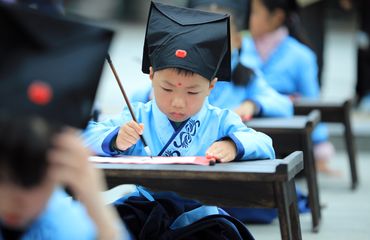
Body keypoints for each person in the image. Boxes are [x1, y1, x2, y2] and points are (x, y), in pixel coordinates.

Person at [83, 2, 275, 163]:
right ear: (151, 76)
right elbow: (84, 135)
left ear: (211, 86)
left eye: (192, 92)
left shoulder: (220, 120)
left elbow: (264, 143)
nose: (178, 102)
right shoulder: (138, 116)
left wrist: (233, 145)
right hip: (143, 203)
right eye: (167, 88)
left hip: (201, 207)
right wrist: (116, 139)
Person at [241, 0, 339, 175]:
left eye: (255, 13)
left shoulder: (301, 56)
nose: (249, 18)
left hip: (284, 144)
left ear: (277, 17)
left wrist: (320, 149)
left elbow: (312, 103)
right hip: (243, 136)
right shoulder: (240, 47)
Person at [0, 115, 130, 240]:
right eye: (1, 180)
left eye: (30, 182)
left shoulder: (66, 222)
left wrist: (96, 206)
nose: (15, 199)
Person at [188, 0, 293, 120]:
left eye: (220, 36)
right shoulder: (182, 73)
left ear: (238, 40)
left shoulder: (246, 76)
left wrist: (252, 104)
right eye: (203, 34)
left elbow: (284, 105)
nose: (212, 43)